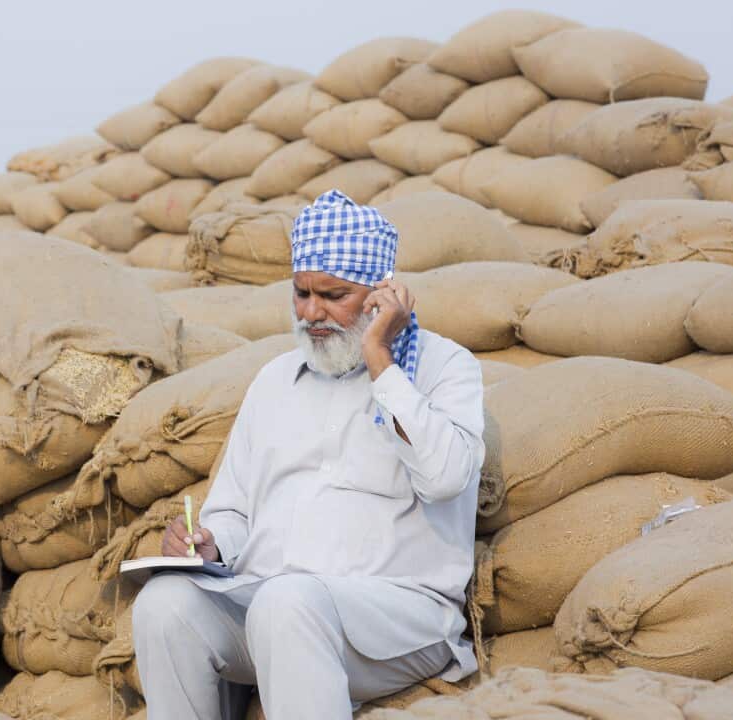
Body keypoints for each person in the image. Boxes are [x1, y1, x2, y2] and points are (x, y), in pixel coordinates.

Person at [132, 190, 485, 720]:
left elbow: (444, 478)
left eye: (333, 295)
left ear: (380, 295)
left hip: (397, 616)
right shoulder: (275, 380)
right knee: (164, 604)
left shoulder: (441, 369)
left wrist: (380, 360)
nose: (312, 312)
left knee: (288, 602)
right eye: (301, 294)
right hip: (268, 605)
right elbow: (232, 510)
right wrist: (208, 545)